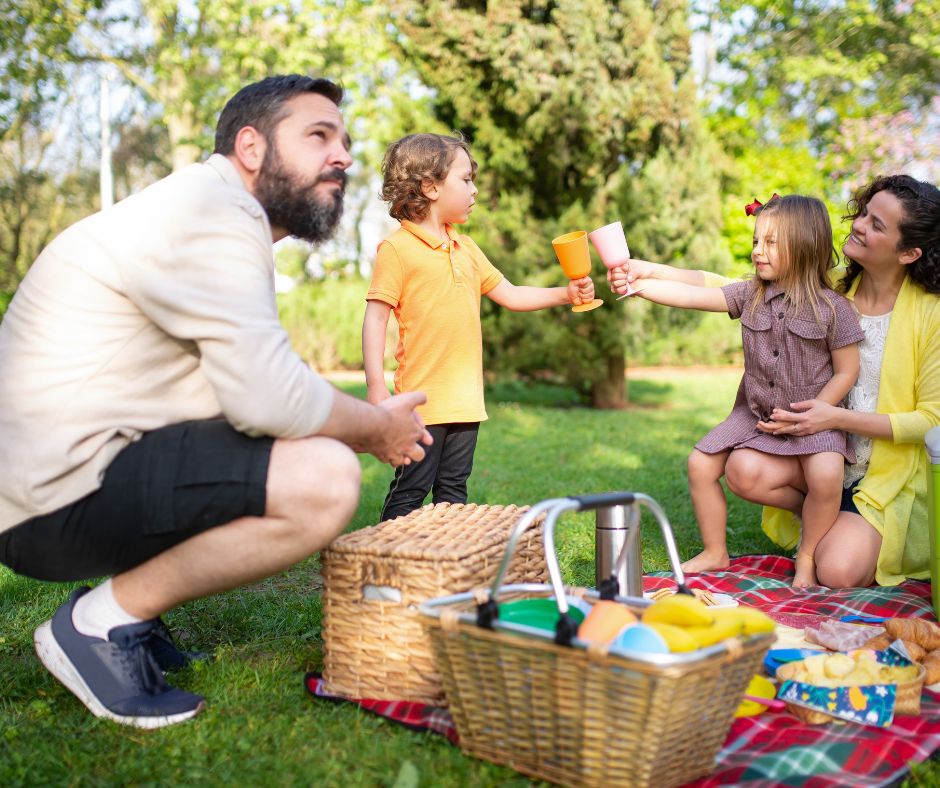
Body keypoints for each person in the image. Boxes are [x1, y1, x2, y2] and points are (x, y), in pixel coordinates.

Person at [0, 75, 432, 728]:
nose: (342, 155)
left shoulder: (208, 212)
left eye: (344, 140)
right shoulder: (211, 213)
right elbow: (268, 396)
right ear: (251, 148)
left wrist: (341, 416)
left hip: (51, 480)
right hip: (44, 500)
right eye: (319, 135)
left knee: (293, 444)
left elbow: (249, 384)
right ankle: (98, 624)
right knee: (324, 477)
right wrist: (375, 428)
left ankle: (131, 616)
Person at [610, 195, 864, 587]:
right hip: (756, 412)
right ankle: (716, 552)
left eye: (770, 243)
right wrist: (639, 287)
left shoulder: (833, 309)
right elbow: (693, 296)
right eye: (755, 241)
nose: (757, 251)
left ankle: (808, 558)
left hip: (814, 416)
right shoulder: (751, 295)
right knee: (700, 465)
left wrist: (817, 413)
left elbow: (847, 372)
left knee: (826, 474)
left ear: (805, 246)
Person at [362, 133, 595, 521]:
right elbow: (375, 316)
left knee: (454, 492)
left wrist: (566, 293)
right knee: (412, 489)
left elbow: (512, 294)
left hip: (466, 399)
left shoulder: (466, 248)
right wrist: (375, 386)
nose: (473, 190)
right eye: (465, 180)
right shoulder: (398, 249)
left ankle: (449, 569)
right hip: (423, 402)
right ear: (430, 186)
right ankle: (386, 568)